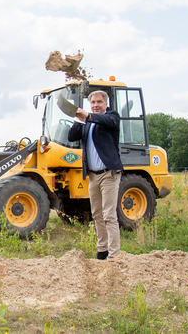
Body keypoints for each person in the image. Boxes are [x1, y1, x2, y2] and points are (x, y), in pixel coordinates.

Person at [67, 90, 124, 260]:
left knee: (109, 215)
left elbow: (109, 121)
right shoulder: (87, 123)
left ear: (105, 104)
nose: (96, 105)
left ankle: (114, 256)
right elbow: (71, 136)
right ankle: (102, 251)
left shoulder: (111, 117)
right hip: (93, 175)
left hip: (109, 174)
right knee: (97, 214)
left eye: (99, 102)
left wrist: (89, 116)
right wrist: (79, 119)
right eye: (93, 103)